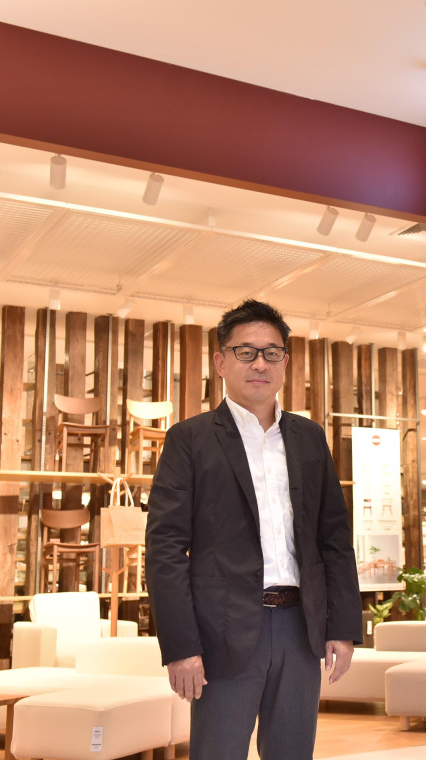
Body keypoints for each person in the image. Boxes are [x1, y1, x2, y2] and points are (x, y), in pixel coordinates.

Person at [145, 298, 362, 760]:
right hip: (221, 632)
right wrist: (181, 647)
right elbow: (165, 548)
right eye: (245, 352)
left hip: (299, 630)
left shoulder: (309, 438)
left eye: (271, 353)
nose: (259, 363)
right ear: (221, 362)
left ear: (286, 361)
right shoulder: (190, 439)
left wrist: (342, 627)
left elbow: (334, 541)